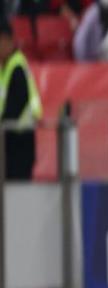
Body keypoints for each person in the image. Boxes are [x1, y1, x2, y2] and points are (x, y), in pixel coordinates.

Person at [0, 19, 42, 180]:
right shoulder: (4, 68)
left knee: (17, 189)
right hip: (8, 143)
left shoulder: (16, 68)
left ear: (8, 41)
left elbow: (14, 108)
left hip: (20, 143)